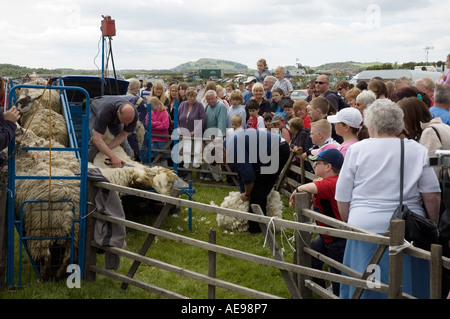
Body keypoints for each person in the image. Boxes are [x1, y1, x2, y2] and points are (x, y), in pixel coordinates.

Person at [336, 98, 441, 299]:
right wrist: (430, 223)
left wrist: (350, 221)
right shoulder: (416, 150)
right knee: (407, 284)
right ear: (400, 124)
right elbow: (432, 194)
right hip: (407, 228)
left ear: (370, 124)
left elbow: (343, 195)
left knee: (366, 283)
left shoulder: (356, 150)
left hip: (364, 224)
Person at [289, 148, 346, 296]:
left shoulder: (331, 183)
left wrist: (297, 189)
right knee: (312, 258)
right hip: (327, 234)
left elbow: (311, 187)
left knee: (337, 273)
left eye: (318, 163)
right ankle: (323, 290)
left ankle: (336, 294)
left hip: (336, 237)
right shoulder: (330, 181)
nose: (314, 165)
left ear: (328, 167)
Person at [223, 128, 290, 233]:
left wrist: (248, 194)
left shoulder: (231, 148)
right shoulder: (229, 143)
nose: (224, 164)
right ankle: (260, 224)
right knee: (258, 187)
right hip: (278, 147)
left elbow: (249, 177)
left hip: (278, 149)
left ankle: (256, 229)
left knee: (258, 189)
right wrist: (242, 191)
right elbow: (240, 171)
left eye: (221, 162)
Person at [397, 96, 450, 180]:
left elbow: (431, 170)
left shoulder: (429, 133)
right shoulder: (441, 126)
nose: (402, 126)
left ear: (410, 119)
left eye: (402, 120)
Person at [88, 95, 138, 168]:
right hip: (97, 112)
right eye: (124, 122)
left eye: (129, 122)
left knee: (125, 143)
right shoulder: (103, 112)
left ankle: (129, 165)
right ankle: (87, 167)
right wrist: (112, 157)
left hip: (114, 115)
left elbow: (124, 134)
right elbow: (97, 139)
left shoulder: (133, 115)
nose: (127, 125)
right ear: (118, 113)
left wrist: (108, 148)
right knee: (95, 145)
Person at [178, 88, 206, 169]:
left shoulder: (199, 105)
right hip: (184, 132)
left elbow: (203, 119)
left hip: (196, 133)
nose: (192, 98)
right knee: (185, 149)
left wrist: (194, 131)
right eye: (190, 96)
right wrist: (178, 128)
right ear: (187, 96)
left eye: (194, 96)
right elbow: (177, 118)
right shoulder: (182, 105)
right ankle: (186, 166)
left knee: (196, 150)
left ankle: (196, 165)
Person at [204, 89, 227, 182]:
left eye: (212, 99)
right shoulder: (207, 107)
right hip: (207, 135)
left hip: (216, 137)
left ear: (216, 97)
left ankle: (218, 178)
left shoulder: (221, 106)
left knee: (215, 157)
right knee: (208, 156)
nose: (210, 101)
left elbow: (222, 122)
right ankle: (210, 175)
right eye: (208, 99)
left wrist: (220, 137)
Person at [147, 96, 170, 167]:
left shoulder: (164, 113)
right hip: (153, 139)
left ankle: (164, 172)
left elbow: (165, 126)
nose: (151, 107)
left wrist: (153, 125)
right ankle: (156, 173)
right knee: (154, 158)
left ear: (157, 104)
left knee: (162, 157)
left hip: (162, 140)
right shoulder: (148, 113)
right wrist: (158, 123)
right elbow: (147, 124)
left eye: (152, 105)